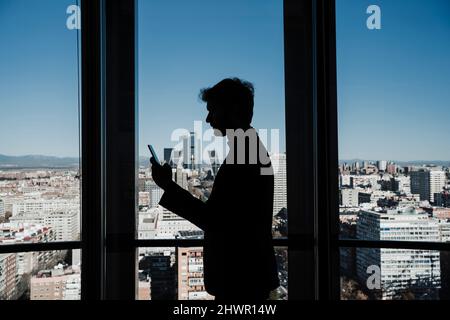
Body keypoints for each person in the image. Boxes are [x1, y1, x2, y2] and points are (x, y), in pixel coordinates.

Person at [150, 78, 279, 301]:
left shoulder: (245, 155)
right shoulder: (249, 150)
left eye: (212, 111)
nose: (208, 119)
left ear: (233, 109)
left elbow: (215, 220)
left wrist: (168, 186)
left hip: (240, 280)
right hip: (247, 277)